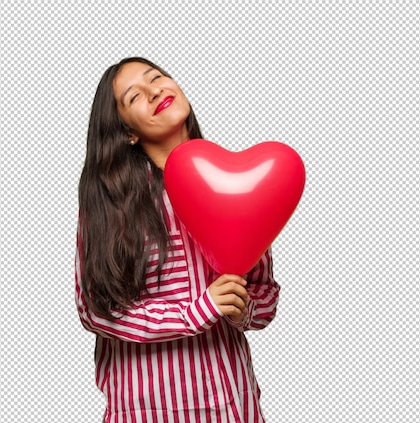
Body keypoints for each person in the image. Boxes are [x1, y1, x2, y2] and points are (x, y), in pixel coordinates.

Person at [75, 57, 281, 422]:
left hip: (232, 406)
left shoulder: (237, 187)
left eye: (156, 77)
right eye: (135, 95)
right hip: (145, 411)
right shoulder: (112, 203)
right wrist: (195, 312)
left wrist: (241, 308)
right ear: (127, 132)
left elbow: (264, 298)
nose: (155, 90)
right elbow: (95, 311)